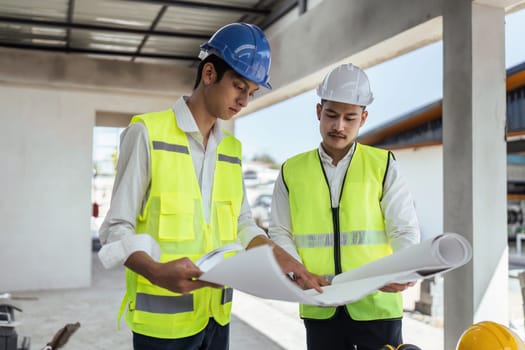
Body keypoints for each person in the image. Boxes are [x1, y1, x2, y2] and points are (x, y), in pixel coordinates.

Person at [97, 22, 320, 350]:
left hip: (217, 316)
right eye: (239, 86)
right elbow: (116, 230)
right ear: (210, 74)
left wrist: (284, 260)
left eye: (251, 93)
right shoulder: (147, 133)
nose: (244, 100)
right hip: (164, 325)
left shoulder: (232, 149)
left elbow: (243, 224)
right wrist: (156, 271)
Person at [268, 63, 421, 350]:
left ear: (363, 118)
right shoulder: (292, 170)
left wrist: (403, 269)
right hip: (319, 303)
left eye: (350, 118)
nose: (339, 126)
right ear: (318, 112)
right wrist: (296, 273)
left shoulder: (383, 165)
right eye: (331, 115)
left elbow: (404, 228)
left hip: (376, 307)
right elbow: (279, 231)